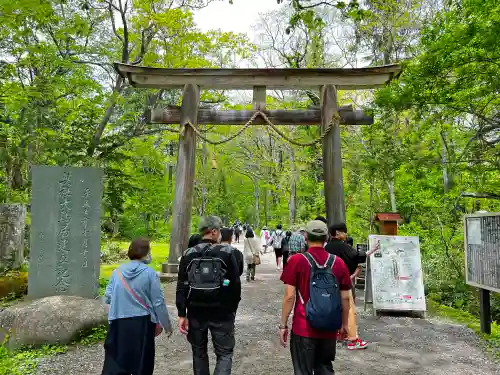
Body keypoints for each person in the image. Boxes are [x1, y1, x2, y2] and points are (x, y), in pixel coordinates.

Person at [279, 220, 352, 375]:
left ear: (306, 236)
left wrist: (283, 325)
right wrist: (345, 324)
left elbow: (289, 296)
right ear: (327, 238)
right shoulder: (338, 263)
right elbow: (345, 298)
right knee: (324, 368)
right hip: (330, 328)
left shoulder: (296, 261)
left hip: (303, 327)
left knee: (302, 371)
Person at [176, 216, 244, 375]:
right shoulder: (227, 252)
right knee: (224, 353)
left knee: (198, 352)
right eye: (219, 230)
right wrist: (232, 309)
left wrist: (181, 313)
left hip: (195, 311)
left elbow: (182, 285)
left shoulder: (188, 253)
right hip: (222, 312)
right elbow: (235, 284)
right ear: (213, 232)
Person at [102, 238, 172, 375]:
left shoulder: (117, 272)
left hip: (118, 321)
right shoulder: (150, 273)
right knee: (142, 362)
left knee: (118, 359)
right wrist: (166, 325)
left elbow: (108, 296)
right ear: (146, 253)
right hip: (143, 323)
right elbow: (158, 302)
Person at [325, 223, 368, 350]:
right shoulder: (343, 247)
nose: (345, 234)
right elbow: (356, 257)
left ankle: (337, 334)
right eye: (344, 232)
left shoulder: (327, 247)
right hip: (343, 283)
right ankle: (352, 339)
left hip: (329, 282)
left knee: (334, 308)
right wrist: (369, 252)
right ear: (338, 233)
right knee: (349, 309)